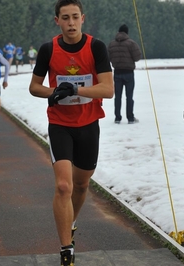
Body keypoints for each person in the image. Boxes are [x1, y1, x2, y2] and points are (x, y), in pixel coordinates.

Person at [28, 0, 113, 264]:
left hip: (89, 124)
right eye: (65, 18)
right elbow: (34, 87)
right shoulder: (48, 49)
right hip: (60, 125)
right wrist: (53, 92)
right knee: (63, 185)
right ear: (57, 21)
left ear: (83, 18)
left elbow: (107, 89)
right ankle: (66, 248)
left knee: (81, 184)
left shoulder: (96, 47)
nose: (71, 23)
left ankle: (71, 220)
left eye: (75, 17)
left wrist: (75, 90)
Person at [108, 24, 141, 124]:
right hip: (129, 73)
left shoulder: (111, 44)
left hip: (117, 73)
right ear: (127, 32)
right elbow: (137, 57)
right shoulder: (131, 43)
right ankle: (130, 118)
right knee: (129, 96)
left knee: (117, 96)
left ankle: (117, 118)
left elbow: (108, 57)